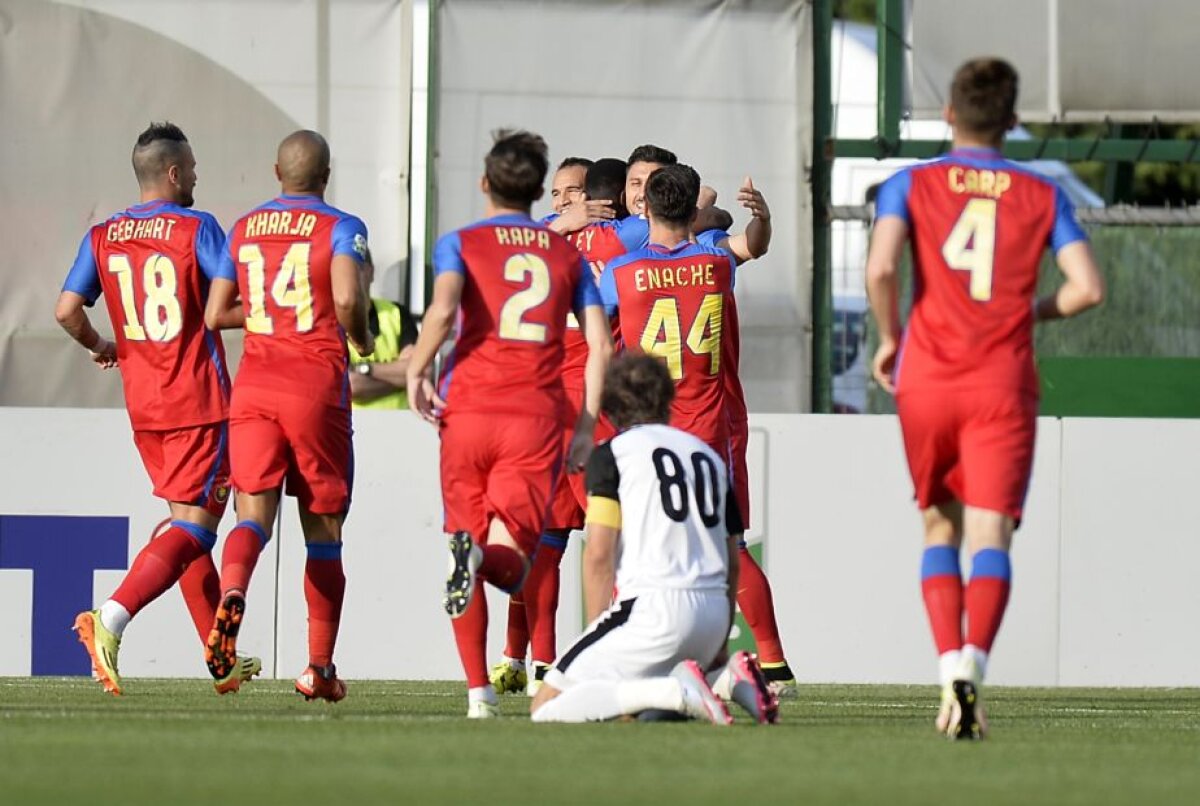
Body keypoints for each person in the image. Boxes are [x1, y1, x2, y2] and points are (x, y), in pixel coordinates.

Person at [866, 58, 1104, 739]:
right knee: (990, 532)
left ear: (948, 115)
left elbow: (882, 265)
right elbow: (1089, 287)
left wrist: (890, 336)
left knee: (938, 526)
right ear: (1012, 120)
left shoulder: (909, 183)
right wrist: (1031, 312)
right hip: (1002, 380)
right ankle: (974, 666)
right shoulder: (1043, 193)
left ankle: (947, 669)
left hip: (928, 379)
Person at [406, 129, 613, 718]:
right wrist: (585, 425)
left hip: (466, 410)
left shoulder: (460, 242)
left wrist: (417, 370)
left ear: (485, 184)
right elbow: (598, 344)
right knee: (513, 559)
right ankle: (476, 569)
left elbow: (444, 310)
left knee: (463, 542)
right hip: (535, 417)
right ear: (537, 190)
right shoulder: (568, 255)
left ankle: (479, 695)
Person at [57, 122, 261, 695]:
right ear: (173, 173)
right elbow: (231, 300)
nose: (197, 176)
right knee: (197, 530)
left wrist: (104, 347)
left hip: (144, 406)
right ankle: (111, 618)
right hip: (198, 400)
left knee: (183, 526)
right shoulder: (197, 227)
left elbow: (66, 309)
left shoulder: (103, 235)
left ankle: (219, 657)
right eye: (192, 168)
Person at [201, 130, 374, 702]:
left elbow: (214, 312)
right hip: (314, 387)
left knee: (252, 516)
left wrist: (272, 304)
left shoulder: (246, 226)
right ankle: (318, 668)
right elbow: (348, 301)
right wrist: (365, 338)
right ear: (327, 174)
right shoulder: (343, 227)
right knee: (323, 532)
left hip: (253, 388)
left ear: (277, 170)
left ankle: (231, 593)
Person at [530, 354, 778, 725]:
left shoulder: (612, 454)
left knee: (546, 707)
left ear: (609, 406)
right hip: (710, 617)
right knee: (639, 689)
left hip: (651, 612)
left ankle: (677, 692)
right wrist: (720, 640)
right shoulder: (708, 457)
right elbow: (731, 560)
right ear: (666, 400)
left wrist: (598, 632)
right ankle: (728, 679)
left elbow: (599, 554)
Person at [491, 157, 641, 697]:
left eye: (571, 192)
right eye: (555, 194)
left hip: (572, 400)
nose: (561, 201)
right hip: (580, 403)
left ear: (596, 197)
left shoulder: (560, 244)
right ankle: (554, 662)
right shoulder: (566, 242)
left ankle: (537, 662)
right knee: (590, 539)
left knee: (552, 540)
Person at [347, 249, 419, 410]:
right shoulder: (328, 320)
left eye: (357, 268)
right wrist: (402, 378)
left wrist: (363, 369)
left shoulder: (397, 313)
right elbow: (351, 386)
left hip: (399, 424)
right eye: (344, 270)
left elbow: (418, 368)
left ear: (370, 271)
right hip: (350, 427)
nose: (350, 277)